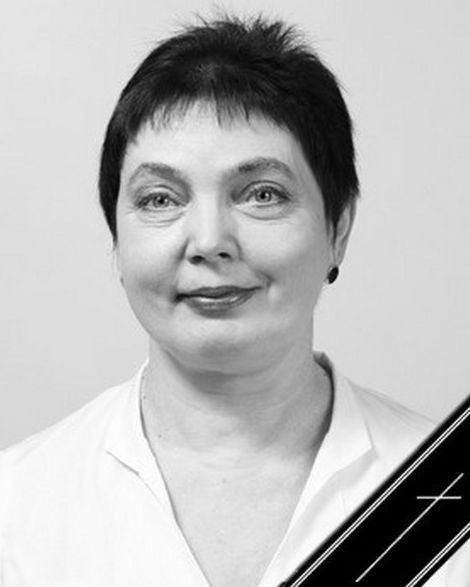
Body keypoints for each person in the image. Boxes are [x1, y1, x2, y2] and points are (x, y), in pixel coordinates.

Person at [0, 14, 467, 587]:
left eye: (262, 194)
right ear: (117, 239)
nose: (209, 241)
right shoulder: (17, 506)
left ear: (338, 228)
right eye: (159, 199)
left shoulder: (447, 497)